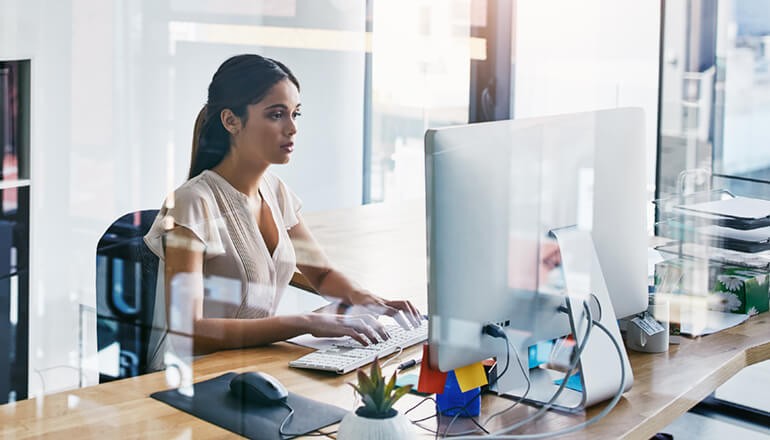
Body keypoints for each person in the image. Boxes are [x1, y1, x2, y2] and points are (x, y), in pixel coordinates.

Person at [144, 54, 421, 372]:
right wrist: (305, 322)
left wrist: (372, 302)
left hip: (253, 364)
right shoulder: (191, 204)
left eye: (295, 114)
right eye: (276, 115)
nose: (292, 128)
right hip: (192, 375)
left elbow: (322, 274)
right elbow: (188, 330)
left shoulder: (276, 193)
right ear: (231, 121)